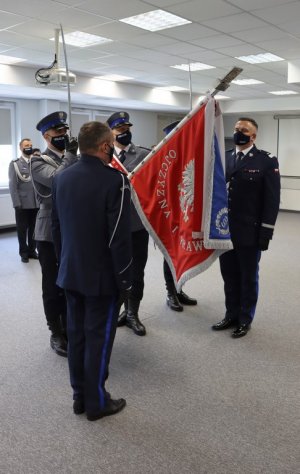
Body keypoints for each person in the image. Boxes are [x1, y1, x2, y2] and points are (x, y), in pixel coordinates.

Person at [52, 121, 132, 421]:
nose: (113, 145)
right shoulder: (115, 181)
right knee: (98, 338)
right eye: (111, 141)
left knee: (77, 336)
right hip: (102, 278)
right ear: (104, 146)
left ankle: (79, 397)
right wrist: (125, 278)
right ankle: (97, 402)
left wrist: (64, 265)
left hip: (70, 272)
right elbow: (118, 238)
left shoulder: (62, 177)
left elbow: (57, 230)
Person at [212, 117, 280, 338]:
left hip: (250, 232)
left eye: (244, 130)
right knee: (229, 275)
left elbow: (271, 201)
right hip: (225, 230)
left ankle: (245, 318)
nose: (238, 132)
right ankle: (230, 314)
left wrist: (266, 233)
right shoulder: (226, 157)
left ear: (253, 136)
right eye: (236, 129)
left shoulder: (266, 161)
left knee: (248, 277)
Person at [30, 111, 78, 356]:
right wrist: (71, 155)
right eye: (59, 132)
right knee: (52, 284)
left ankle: (70, 325)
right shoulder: (38, 161)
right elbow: (59, 179)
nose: (64, 135)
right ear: (46, 135)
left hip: (73, 229)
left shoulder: (75, 159)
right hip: (48, 231)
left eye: (65, 131)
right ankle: (55, 331)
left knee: (70, 281)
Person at [107, 111, 149, 336]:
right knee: (113, 271)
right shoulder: (102, 157)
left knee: (136, 272)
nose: (124, 132)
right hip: (111, 227)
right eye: (119, 129)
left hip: (136, 225)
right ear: (110, 133)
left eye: (126, 128)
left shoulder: (143, 154)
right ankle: (117, 310)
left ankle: (133, 312)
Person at [162, 120, 198, 312]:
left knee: (182, 254)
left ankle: (179, 289)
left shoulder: (188, 156)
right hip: (168, 216)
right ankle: (170, 293)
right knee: (170, 255)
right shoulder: (163, 160)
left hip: (185, 216)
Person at [8, 138, 39, 262]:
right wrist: (16, 203)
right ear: (21, 148)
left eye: (31, 145)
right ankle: (24, 253)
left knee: (34, 229)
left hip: (36, 202)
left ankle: (32, 250)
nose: (29, 147)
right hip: (22, 203)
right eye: (26, 145)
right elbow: (12, 185)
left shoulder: (36, 162)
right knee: (22, 229)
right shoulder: (15, 164)